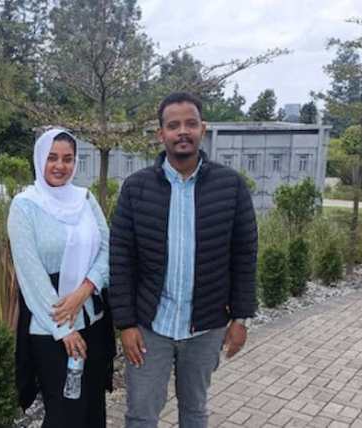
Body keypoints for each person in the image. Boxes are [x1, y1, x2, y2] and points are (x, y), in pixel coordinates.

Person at [109, 92, 258, 428]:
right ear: (160, 134)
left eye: (190, 123)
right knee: (140, 414)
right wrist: (127, 324)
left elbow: (245, 256)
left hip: (205, 324)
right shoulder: (136, 189)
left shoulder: (230, 187)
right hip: (150, 326)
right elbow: (121, 260)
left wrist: (241, 319)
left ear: (203, 129)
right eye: (173, 125)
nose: (182, 131)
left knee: (194, 411)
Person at [8, 128, 115, 428]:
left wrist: (85, 289)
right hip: (50, 327)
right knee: (65, 413)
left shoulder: (85, 199)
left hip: (92, 319)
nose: (60, 166)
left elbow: (107, 247)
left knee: (92, 407)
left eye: (68, 159)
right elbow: (30, 274)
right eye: (52, 158)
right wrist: (64, 329)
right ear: (39, 159)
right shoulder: (24, 206)